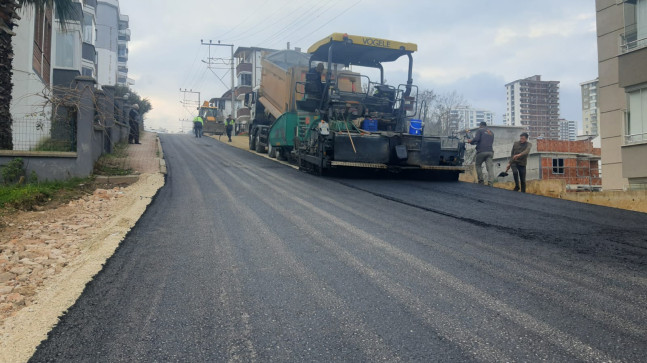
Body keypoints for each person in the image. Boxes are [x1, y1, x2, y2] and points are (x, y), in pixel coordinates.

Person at [467, 121, 495, 186]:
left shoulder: (480, 130)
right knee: (490, 168)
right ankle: (491, 183)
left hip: (481, 151)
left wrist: (470, 140)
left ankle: (481, 181)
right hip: (490, 151)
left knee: (478, 165)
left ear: (480, 125)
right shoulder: (491, 132)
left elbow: (476, 139)